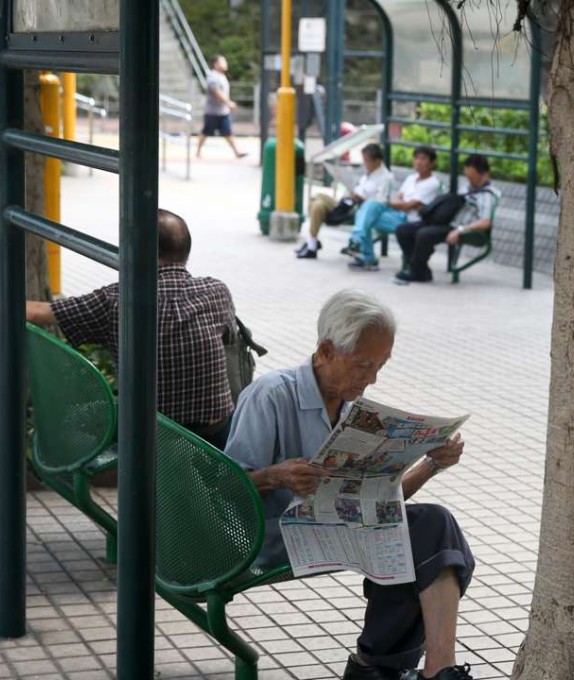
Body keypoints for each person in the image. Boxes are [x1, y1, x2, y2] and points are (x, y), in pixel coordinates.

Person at [224, 290, 475, 680]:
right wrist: (276, 476)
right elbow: (227, 488)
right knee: (420, 537)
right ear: (326, 351)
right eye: (363, 365)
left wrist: (431, 464)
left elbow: (382, 503)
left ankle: (435, 668)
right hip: (270, 536)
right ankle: (378, 666)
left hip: (330, 528)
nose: (372, 379)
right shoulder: (272, 393)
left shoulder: (351, 410)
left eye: (380, 366)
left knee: (432, 528)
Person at [25, 210, 237, 448]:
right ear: (186, 249)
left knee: (80, 418)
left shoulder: (115, 299)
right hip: (215, 434)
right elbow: (230, 338)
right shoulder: (217, 292)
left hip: (149, 437)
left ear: (135, 249)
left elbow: (35, 313)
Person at [394, 155, 499, 285]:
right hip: (446, 223)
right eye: (467, 176)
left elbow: (486, 222)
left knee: (424, 234)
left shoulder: (487, 195)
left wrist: (460, 230)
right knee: (403, 230)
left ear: (484, 174)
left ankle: (418, 271)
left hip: (461, 228)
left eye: (472, 178)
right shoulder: (467, 187)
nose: (470, 181)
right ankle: (420, 269)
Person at [345, 146, 441, 272]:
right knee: (365, 212)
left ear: (432, 163)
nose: (418, 162)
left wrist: (389, 203)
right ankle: (360, 245)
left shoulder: (432, 183)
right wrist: (398, 203)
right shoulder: (411, 178)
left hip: (412, 221)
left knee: (366, 212)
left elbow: (408, 206)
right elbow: (399, 199)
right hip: (398, 215)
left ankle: (362, 249)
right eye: (416, 158)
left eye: (423, 159)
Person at [297, 143, 394, 259]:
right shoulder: (367, 174)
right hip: (347, 203)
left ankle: (312, 245)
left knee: (318, 206)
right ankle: (312, 242)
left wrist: (361, 198)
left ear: (377, 161)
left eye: (367, 160)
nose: (365, 164)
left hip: (360, 207)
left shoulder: (385, 178)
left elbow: (380, 202)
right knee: (316, 197)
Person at [195, 55, 247, 160]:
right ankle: (198, 151)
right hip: (212, 112)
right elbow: (216, 92)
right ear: (216, 64)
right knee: (206, 132)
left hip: (223, 111)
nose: (225, 64)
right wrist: (229, 103)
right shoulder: (212, 77)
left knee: (228, 132)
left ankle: (237, 152)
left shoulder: (222, 76)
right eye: (223, 62)